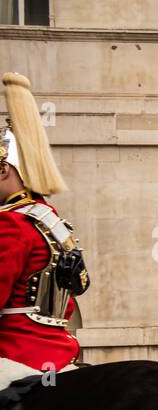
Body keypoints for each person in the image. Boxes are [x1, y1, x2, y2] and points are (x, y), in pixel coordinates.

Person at [0, 71, 87, 390]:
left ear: (3, 168)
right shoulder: (50, 218)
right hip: (59, 353)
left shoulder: (11, 223)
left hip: (16, 356)